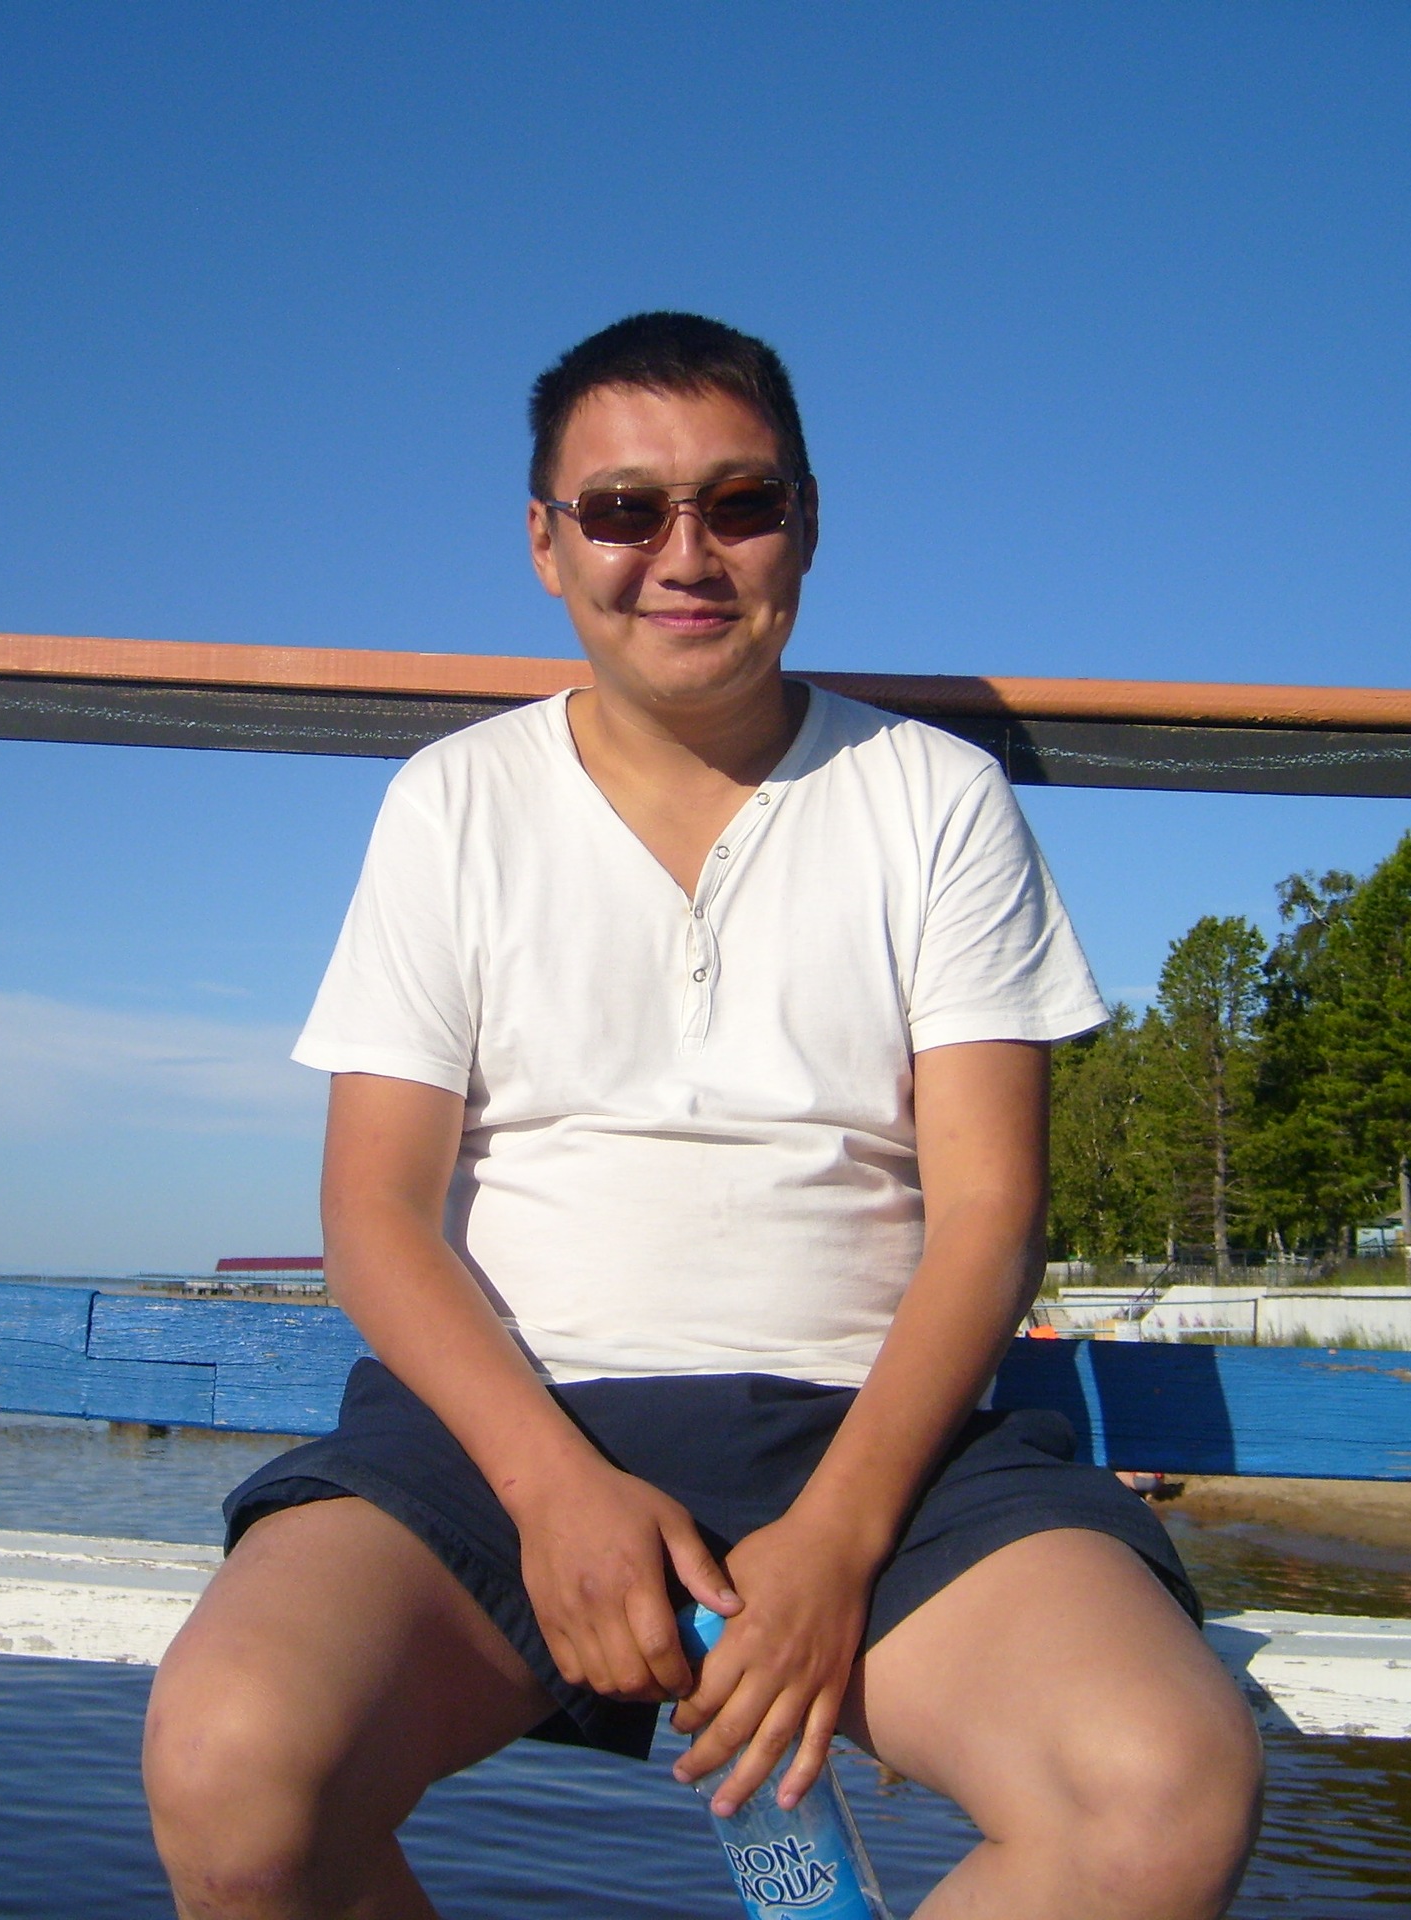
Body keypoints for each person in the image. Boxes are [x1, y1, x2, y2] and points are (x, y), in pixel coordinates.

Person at [141, 312, 1263, 1920]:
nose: (684, 554)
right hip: (504, 1437)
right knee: (231, 1769)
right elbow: (373, 1215)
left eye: (740, 503)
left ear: (805, 524)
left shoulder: (934, 798)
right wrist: (552, 1492)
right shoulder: (454, 803)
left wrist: (838, 1539)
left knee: (1158, 1793)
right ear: (546, 543)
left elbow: (989, 1213)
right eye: (623, 510)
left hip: (875, 1445)